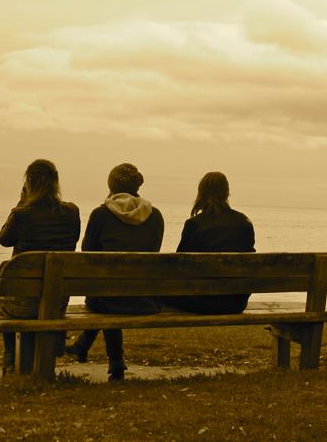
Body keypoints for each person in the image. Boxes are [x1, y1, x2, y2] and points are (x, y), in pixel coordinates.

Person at [65, 163, 164, 381]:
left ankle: (110, 358)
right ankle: (88, 348)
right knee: (113, 289)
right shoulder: (155, 216)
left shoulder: (101, 215)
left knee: (108, 291)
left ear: (111, 185)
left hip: (107, 299)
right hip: (145, 300)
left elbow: (88, 252)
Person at [0, 159, 80, 375]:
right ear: (56, 183)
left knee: (9, 289)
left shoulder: (22, 214)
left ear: (29, 183)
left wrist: (22, 203)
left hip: (21, 304)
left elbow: (4, 239)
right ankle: (52, 348)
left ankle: (10, 357)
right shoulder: (71, 212)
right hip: (56, 300)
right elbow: (71, 242)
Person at [164, 171, 255, 314]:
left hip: (202, 301)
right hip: (236, 302)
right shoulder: (244, 222)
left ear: (201, 194)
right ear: (226, 193)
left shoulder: (195, 224)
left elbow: (180, 265)